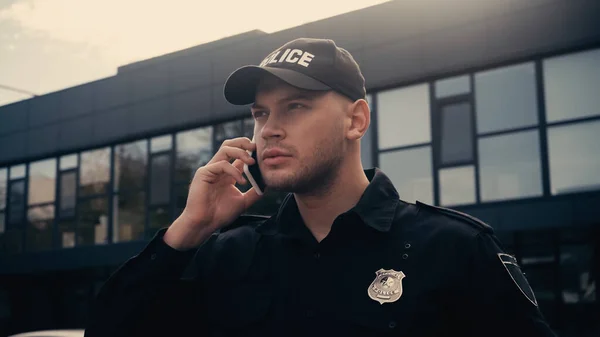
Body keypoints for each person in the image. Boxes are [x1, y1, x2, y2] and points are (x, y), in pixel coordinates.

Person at [84, 38, 557, 337]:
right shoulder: (227, 255)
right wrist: (188, 229)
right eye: (260, 113)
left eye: (295, 107)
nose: (268, 129)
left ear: (355, 121)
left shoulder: (455, 249)